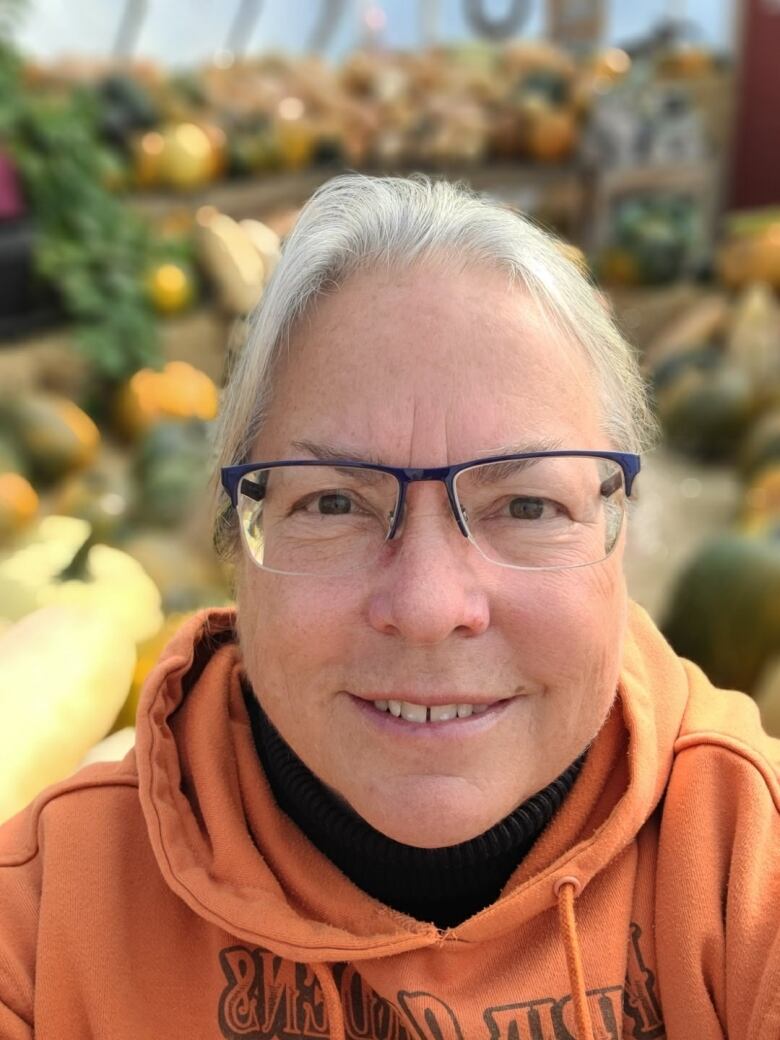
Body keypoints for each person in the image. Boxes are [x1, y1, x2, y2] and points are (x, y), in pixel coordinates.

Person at [0, 174, 778, 1040]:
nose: (428, 605)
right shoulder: (42, 928)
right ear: (236, 548)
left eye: (527, 506)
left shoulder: (749, 863)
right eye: (332, 503)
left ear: (617, 531)